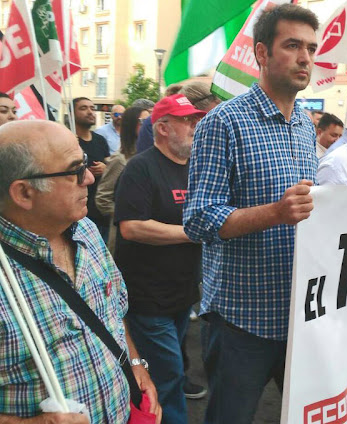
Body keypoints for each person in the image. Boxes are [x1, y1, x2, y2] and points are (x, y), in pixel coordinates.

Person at [184, 3, 347, 424]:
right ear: (261, 53)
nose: (305, 58)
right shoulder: (223, 123)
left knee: (308, 414)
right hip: (243, 318)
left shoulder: (302, 125)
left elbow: (307, 204)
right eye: (292, 45)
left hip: (302, 310)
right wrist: (275, 212)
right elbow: (199, 219)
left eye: (311, 48)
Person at [0, 120, 160, 423]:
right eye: (74, 170)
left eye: (84, 165)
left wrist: (136, 364)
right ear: (23, 193)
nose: (88, 177)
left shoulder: (85, 229)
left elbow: (111, 313)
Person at [114, 94, 205, 423]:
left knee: (168, 374)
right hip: (148, 299)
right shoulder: (140, 167)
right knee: (169, 377)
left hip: (182, 296)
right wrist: (190, 232)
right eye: (187, 120)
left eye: (195, 119)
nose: (194, 125)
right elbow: (131, 227)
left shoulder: (195, 168)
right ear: (163, 128)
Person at [95, 106, 150, 253]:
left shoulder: (149, 158)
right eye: (144, 121)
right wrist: (128, 215)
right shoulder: (120, 160)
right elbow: (103, 199)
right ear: (132, 125)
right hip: (124, 238)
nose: (150, 125)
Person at [73, 97, 111, 243]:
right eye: (83, 108)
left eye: (92, 108)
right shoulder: (69, 140)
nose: (90, 112)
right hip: (79, 211)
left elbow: (109, 166)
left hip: (100, 212)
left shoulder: (100, 140)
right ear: (72, 113)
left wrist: (105, 168)